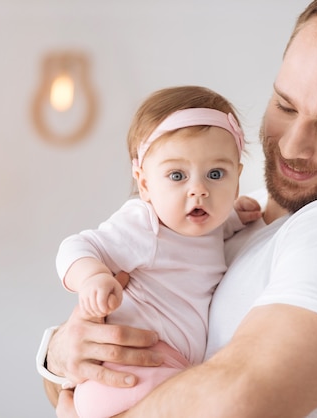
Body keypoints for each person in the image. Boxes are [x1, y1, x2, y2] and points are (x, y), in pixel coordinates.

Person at [37, 0, 317, 416]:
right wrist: (58, 355)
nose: (291, 145)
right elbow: (70, 388)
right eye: (285, 105)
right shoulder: (221, 228)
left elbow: (237, 401)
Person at [44, 85, 262, 418]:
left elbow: (210, 235)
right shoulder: (146, 224)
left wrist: (235, 214)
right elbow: (74, 247)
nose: (199, 190)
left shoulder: (212, 225)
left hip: (165, 364)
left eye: (216, 174)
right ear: (144, 183)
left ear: (236, 180)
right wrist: (93, 277)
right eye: (177, 175)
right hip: (137, 361)